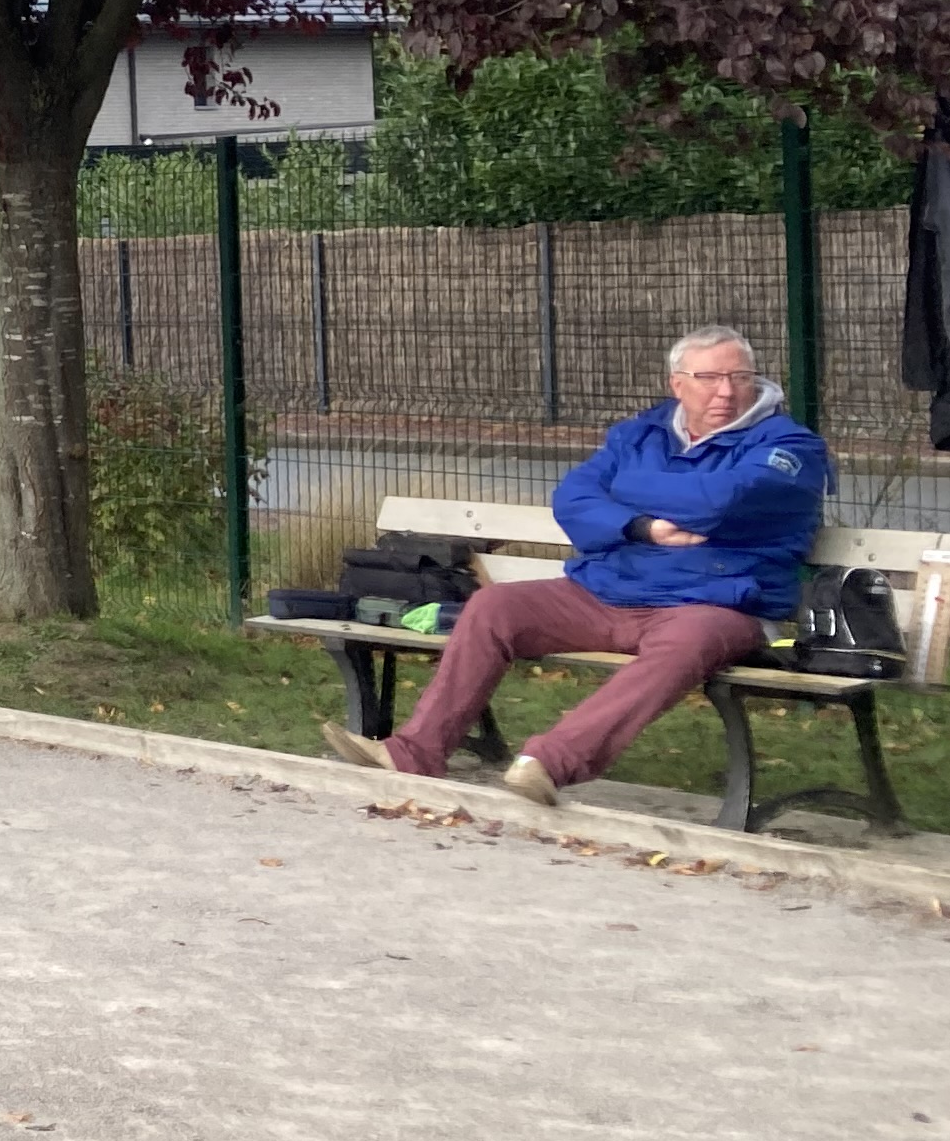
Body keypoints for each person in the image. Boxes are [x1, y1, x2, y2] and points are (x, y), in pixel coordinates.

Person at [323, 323, 828, 805]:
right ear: (677, 384)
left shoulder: (790, 446)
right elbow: (572, 498)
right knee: (495, 607)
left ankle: (548, 764)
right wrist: (640, 527)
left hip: (715, 602)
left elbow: (720, 499)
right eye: (710, 378)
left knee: (686, 645)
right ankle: (413, 753)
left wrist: (624, 491)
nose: (726, 391)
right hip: (607, 591)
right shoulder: (640, 434)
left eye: (739, 377)